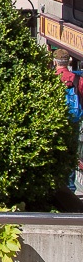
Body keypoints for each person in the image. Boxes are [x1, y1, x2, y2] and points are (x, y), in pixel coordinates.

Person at [53, 49, 82, 191]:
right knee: (71, 152)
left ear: (54, 62)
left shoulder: (52, 78)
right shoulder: (77, 79)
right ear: (69, 62)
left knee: (56, 151)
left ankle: (57, 184)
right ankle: (70, 186)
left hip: (56, 120)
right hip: (74, 120)